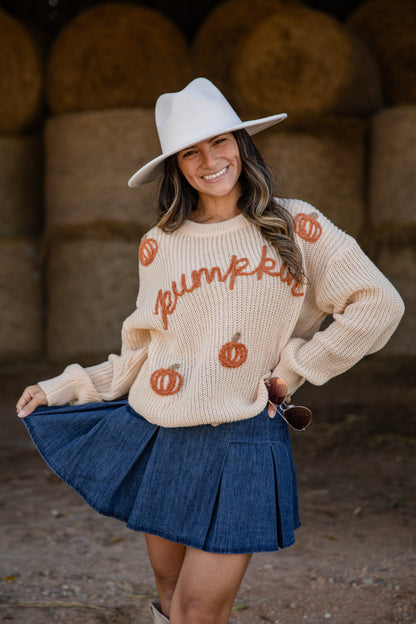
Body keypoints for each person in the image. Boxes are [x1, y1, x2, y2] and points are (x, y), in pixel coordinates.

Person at [16, 77, 404, 624]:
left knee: (199, 609)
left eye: (219, 142)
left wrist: (295, 369)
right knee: (171, 591)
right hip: (163, 433)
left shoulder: (297, 225)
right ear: (176, 166)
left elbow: (379, 304)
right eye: (190, 152)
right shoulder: (159, 245)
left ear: (241, 145)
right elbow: (140, 352)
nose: (209, 160)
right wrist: (65, 387)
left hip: (244, 435)